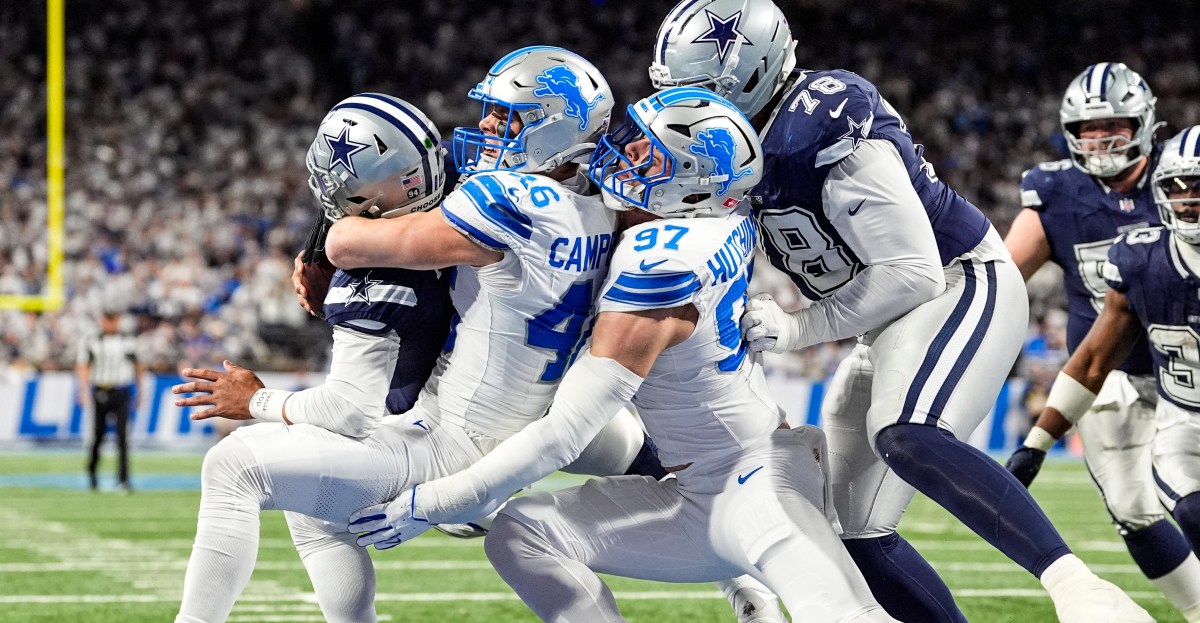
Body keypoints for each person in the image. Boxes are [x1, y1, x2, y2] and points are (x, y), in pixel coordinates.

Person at [650, 1, 1154, 621]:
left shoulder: (818, 123)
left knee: (907, 431)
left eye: (697, 91)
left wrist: (799, 327)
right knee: (850, 531)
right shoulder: (732, 146)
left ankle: (1080, 589)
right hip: (885, 317)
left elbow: (912, 271)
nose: (684, 109)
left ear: (750, 77)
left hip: (956, 281)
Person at [347, 86, 899, 623]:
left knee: (845, 614)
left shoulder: (659, 267)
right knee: (521, 533)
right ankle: (746, 590)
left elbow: (563, 435)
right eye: (634, 138)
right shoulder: (695, 219)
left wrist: (433, 502)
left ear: (688, 188)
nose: (623, 151)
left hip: (758, 482)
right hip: (696, 493)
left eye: (647, 153)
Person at [171, 51, 660, 623]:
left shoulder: (506, 199)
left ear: (552, 127)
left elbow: (346, 246)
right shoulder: (608, 205)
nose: (485, 126)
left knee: (233, 466)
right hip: (545, 416)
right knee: (315, 508)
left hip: (455, 446)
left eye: (505, 116)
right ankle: (740, 587)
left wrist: (258, 399)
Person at [1003, 64, 1200, 620]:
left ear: (1145, 124)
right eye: (1088, 129)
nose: (1101, 140)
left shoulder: (1183, 172)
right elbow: (1001, 279)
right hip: (1109, 372)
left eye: (1113, 125)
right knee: (1132, 508)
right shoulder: (1056, 193)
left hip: (1182, 362)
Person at [76, 309, 143, 493]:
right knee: (98, 436)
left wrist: (140, 391)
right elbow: (83, 366)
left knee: (123, 437)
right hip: (100, 390)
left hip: (121, 391)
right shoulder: (92, 340)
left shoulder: (128, 340)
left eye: (113, 319)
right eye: (107, 319)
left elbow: (138, 366)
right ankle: (92, 473)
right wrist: (83, 390)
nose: (110, 323)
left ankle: (123, 480)